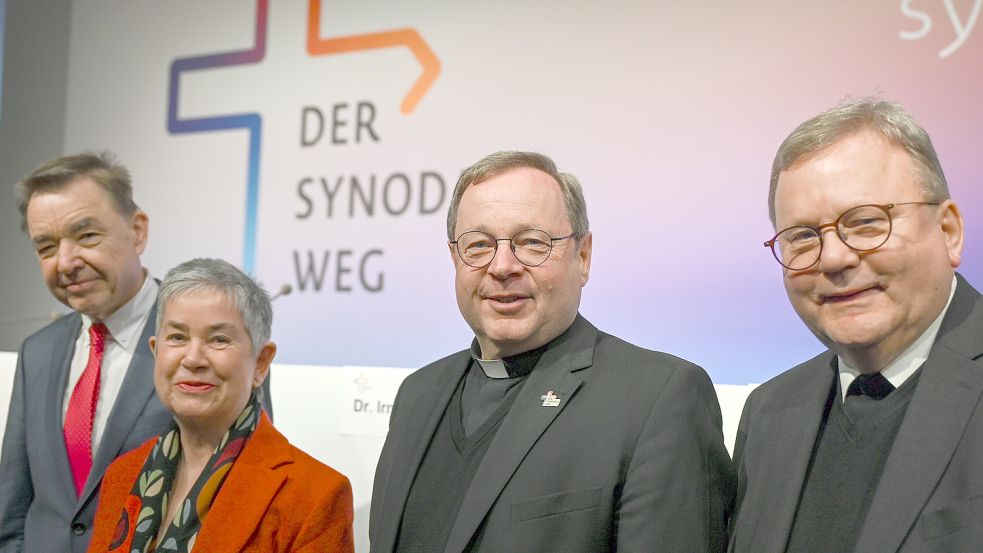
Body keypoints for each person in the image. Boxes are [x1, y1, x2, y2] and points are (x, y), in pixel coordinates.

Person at [370, 151, 734, 553]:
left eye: (532, 243)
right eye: (478, 245)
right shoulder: (417, 395)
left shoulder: (658, 399)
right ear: (455, 257)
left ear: (582, 257)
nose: (502, 266)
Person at [729, 98, 979, 552]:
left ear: (949, 231)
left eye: (866, 223)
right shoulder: (768, 413)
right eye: (802, 236)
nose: (834, 258)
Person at [0, 152, 273, 552]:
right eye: (46, 246)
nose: (67, 261)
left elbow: (250, 492)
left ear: (138, 230)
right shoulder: (37, 352)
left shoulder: (217, 343)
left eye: (87, 235)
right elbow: (15, 506)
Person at [86, 258, 354, 552]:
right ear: (155, 351)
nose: (193, 358)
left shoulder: (314, 494)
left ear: (261, 363)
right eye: (177, 337)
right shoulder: (121, 474)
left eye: (218, 340)